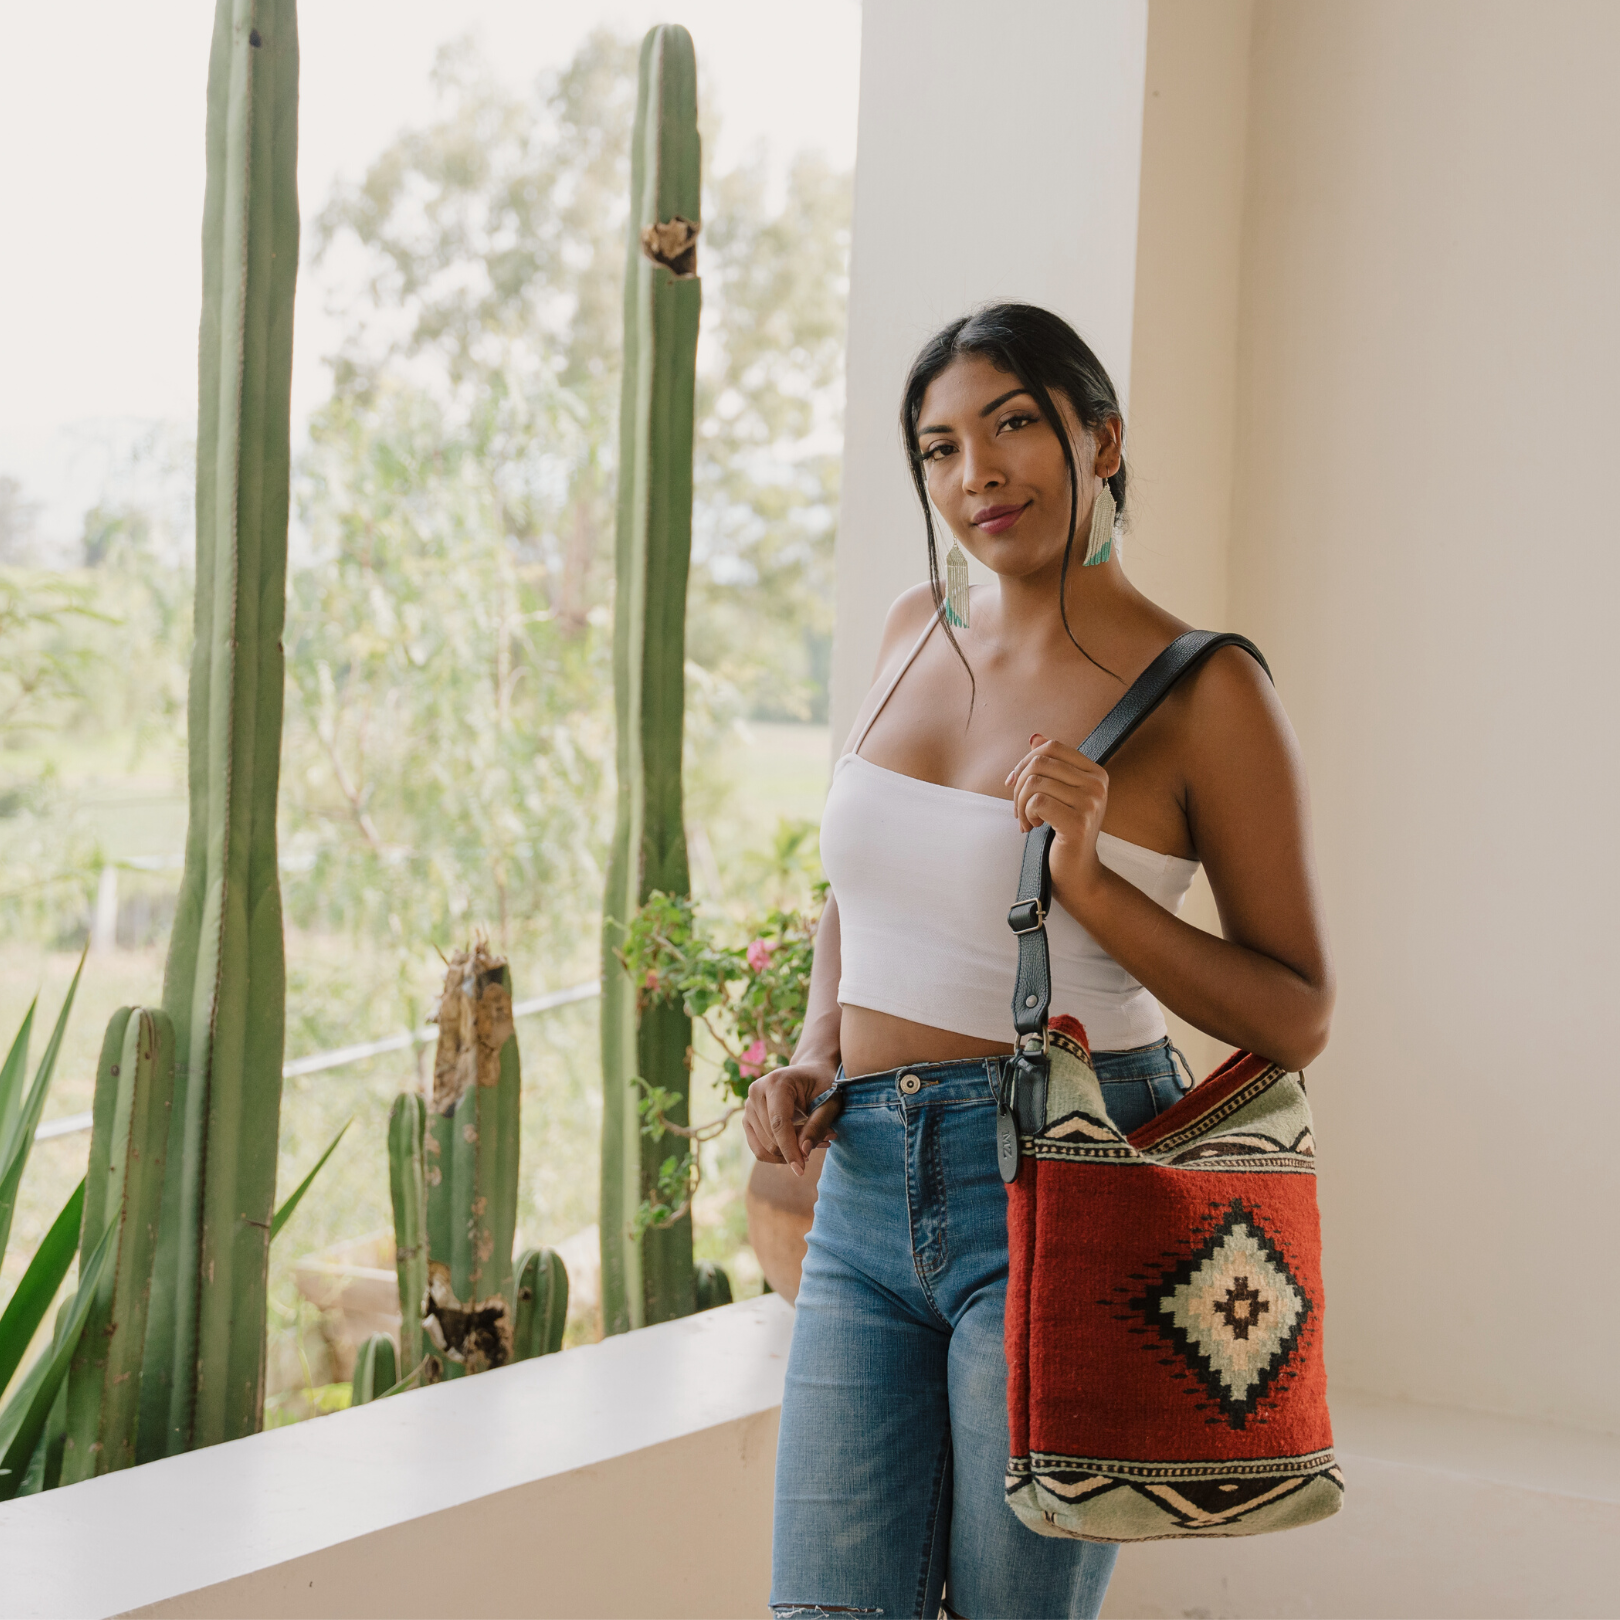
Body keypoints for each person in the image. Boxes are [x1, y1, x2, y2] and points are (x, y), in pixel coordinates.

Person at [747, 304, 1335, 1620]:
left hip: (1064, 1183)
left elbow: (1297, 1012)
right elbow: (864, 887)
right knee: (825, 1607)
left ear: (1102, 439)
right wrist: (812, 1049)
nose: (977, 475)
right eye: (940, 447)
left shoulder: (1207, 693)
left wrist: (1088, 884)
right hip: (862, 1191)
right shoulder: (913, 628)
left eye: (1014, 423)